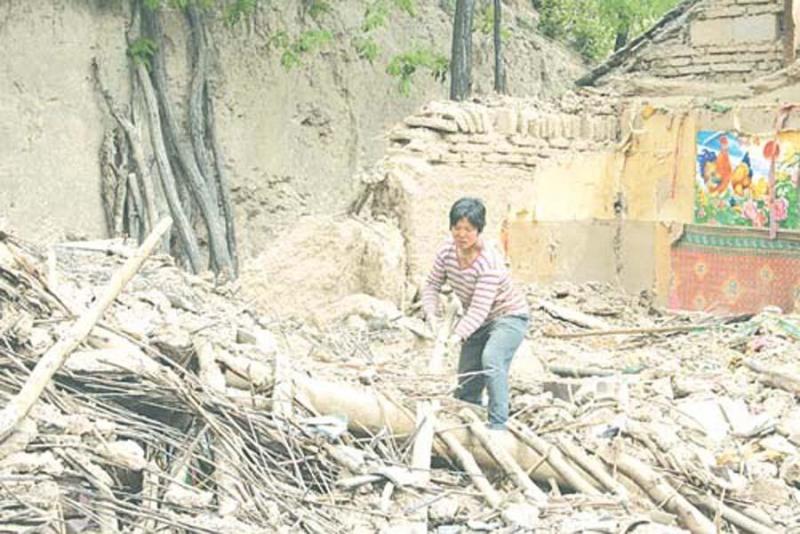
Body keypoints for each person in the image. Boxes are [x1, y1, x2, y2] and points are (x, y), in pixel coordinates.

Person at [422, 197, 530, 430]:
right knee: (467, 380)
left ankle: (498, 423)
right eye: (457, 228)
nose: (461, 234)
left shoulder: (488, 262)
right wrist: (431, 316)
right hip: (477, 319)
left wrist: (456, 336)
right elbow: (431, 285)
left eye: (468, 229)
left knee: (491, 360)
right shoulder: (446, 252)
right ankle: (468, 420)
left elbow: (480, 308)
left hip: (508, 316)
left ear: (478, 230)